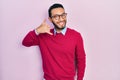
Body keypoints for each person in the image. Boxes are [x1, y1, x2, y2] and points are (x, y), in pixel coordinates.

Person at [22, 3, 86, 80]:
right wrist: (37, 31)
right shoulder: (44, 35)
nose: (61, 19)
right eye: (56, 17)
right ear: (50, 19)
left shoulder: (76, 36)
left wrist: (80, 79)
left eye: (63, 15)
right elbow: (25, 42)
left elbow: (81, 59)